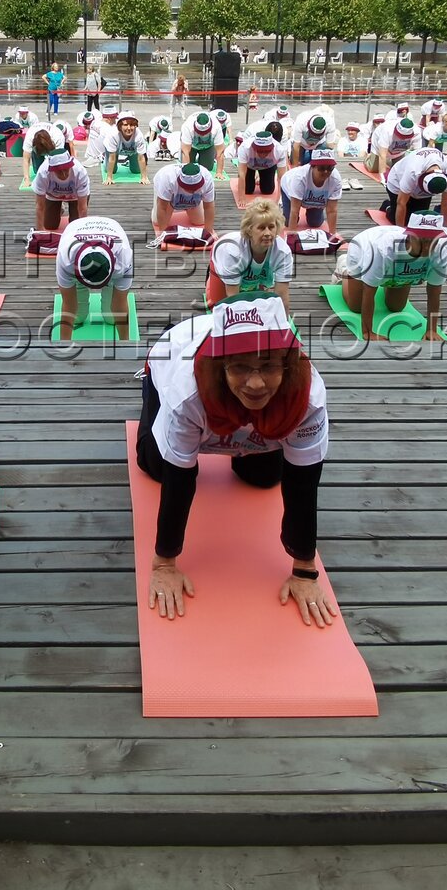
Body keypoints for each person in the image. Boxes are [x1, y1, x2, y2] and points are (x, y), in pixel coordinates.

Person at [134, 294, 334, 624]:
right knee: (154, 465)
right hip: (173, 349)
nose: (255, 383)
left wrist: (304, 571)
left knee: (265, 477)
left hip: (232, 404)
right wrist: (164, 563)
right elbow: (179, 479)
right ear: (219, 364)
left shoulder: (308, 397)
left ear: (287, 360)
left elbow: (304, 481)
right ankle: (149, 390)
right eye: (240, 366)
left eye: (269, 365)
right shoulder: (187, 389)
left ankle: (238, 422)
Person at [337, 214, 447, 340]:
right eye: (422, 241)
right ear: (409, 236)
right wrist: (368, 332)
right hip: (363, 249)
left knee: (396, 307)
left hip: (397, 269)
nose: (427, 247)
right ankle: (344, 267)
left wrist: (431, 330)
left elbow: (434, 291)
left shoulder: (442, 249)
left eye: (432, 241)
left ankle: (384, 278)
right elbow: (369, 291)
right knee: (356, 307)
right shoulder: (383, 249)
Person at [55, 214, 134, 340]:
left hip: (111, 230)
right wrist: (63, 344)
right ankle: (82, 285)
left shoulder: (124, 259)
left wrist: (125, 344)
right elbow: (68, 306)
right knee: (77, 318)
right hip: (77, 233)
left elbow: (120, 304)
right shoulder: (66, 258)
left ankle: (105, 284)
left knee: (111, 319)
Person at [208, 200, 293, 309]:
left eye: (271, 227)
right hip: (221, 257)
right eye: (261, 228)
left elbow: (282, 296)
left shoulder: (283, 252)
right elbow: (234, 299)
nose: (267, 233)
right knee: (218, 307)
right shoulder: (232, 253)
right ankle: (213, 280)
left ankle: (251, 281)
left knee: (262, 305)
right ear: (249, 230)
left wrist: (284, 324)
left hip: (256, 270)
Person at [382, 145, 447, 227]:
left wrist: (444, 227)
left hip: (422, 189)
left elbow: (446, 203)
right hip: (397, 181)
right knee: (401, 220)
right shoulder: (413, 170)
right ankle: (388, 206)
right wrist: (400, 231)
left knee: (418, 220)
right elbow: (401, 203)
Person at [278, 149, 342, 233]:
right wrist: (292, 237)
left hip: (312, 198)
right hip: (289, 187)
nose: (326, 171)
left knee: (315, 223)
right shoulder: (299, 178)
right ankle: (284, 205)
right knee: (288, 222)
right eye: (321, 168)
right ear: (312, 166)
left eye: (330, 168)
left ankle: (313, 208)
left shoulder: (336, 179)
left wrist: (332, 235)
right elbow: (295, 210)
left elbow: (332, 210)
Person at [151, 162, 216, 236]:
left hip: (194, 199)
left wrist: (209, 231)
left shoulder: (207, 178)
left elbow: (209, 206)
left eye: (195, 188)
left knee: (199, 221)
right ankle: (168, 206)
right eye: (188, 188)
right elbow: (162, 207)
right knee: (156, 221)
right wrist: (162, 234)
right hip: (169, 199)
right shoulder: (167, 178)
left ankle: (189, 207)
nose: (192, 191)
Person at [103, 110, 150, 184]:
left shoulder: (139, 135)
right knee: (113, 171)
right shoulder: (113, 135)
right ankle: (105, 160)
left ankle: (130, 161)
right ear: (119, 126)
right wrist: (109, 178)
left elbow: (141, 158)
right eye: (125, 125)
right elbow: (112, 158)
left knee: (136, 171)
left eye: (131, 125)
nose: (129, 128)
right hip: (114, 151)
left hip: (133, 151)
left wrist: (144, 177)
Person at [236, 130, 285, 198]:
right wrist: (241, 198)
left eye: (266, 151)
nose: (262, 154)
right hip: (249, 166)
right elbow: (242, 174)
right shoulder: (245, 147)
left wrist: (279, 199)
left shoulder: (279, 150)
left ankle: (260, 178)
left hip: (268, 166)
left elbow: (281, 177)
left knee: (267, 191)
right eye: (259, 151)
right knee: (247, 190)